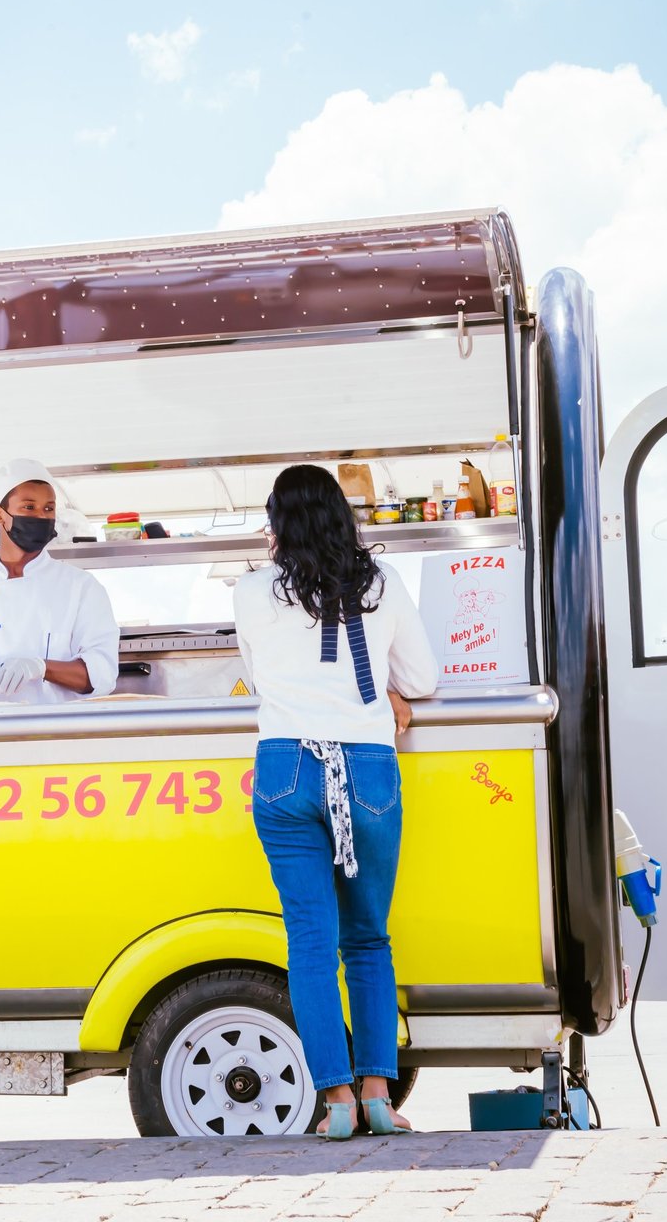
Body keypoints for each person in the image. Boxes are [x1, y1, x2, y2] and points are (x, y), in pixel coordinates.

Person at [234, 464, 439, 1140]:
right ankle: (380, 1095)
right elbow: (423, 677)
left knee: (311, 943)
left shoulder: (253, 589)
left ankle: (338, 1103)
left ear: (278, 523)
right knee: (368, 939)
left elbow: (256, 673)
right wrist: (388, 690)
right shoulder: (381, 583)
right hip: (367, 767)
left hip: (288, 766)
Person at [0, 458, 120, 706]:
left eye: (48, 509)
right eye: (29, 507)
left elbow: (102, 674)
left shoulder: (80, 587)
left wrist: (41, 667)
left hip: (57, 732)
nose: (41, 516)